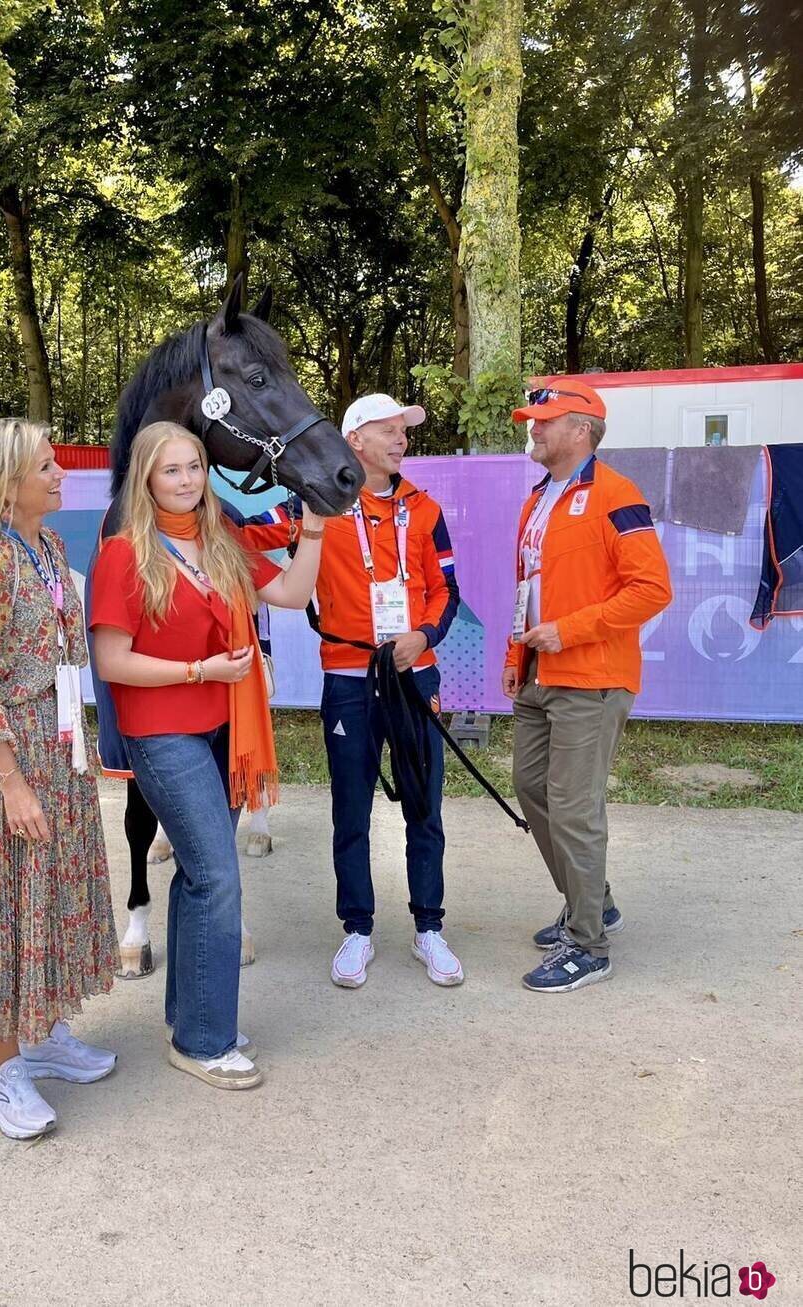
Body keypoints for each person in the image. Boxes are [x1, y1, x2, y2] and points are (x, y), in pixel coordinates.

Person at [89, 421, 325, 1090]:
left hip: (221, 728)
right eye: (172, 470)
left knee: (199, 875)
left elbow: (292, 594)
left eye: (195, 466)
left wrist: (312, 533)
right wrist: (200, 671)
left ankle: (192, 1020)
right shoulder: (124, 554)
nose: (189, 479)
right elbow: (111, 660)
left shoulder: (218, 544)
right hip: (164, 733)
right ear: (147, 478)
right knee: (219, 874)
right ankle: (205, 1040)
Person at [245, 393, 462, 989]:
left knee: (425, 804)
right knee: (350, 810)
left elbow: (448, 590)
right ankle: (358, 931)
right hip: (347, 679)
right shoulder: (313, 505)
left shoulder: (425, 509)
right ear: (355, 441)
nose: (402, 440)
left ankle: (429, 927)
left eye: (405, 432)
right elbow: (246, 535)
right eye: (389, 431)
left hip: (415, 677)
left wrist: (423, 635)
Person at [0, 419, 119, 1141]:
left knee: (53, 893)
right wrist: (12, 782)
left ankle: (41, 1032)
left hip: (61, 750)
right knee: (8, 907)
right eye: (45, 467)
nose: (60, 474)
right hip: (13, 760)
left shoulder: (48, 547)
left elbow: (65, 655)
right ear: (7, 484)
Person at [503, 381, 672, 992]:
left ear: (582, 430)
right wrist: (514, 655)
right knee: (531, 788)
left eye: (544, 421)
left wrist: (568, 632)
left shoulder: (617, 494)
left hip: (593, 677)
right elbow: (529, 588)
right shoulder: (536, 500)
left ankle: (588, 946)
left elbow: (652, 590)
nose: (533, 429)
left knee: (574, 806)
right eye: (532, 420)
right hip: (539, 674)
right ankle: (592, 903)